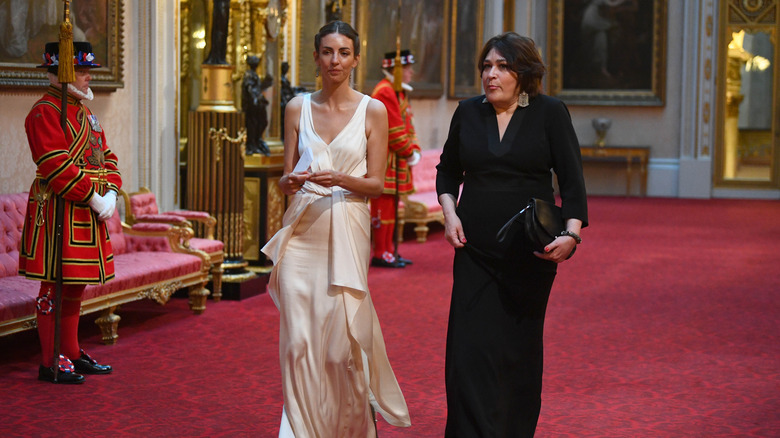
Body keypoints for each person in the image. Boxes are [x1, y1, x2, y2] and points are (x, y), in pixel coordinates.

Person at [261, 21, 410, 437]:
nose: (335, 61)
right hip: (302, 232)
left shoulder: (373, 110)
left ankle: (350, 426)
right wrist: (288, 182)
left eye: (344, 52)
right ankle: (299, 431)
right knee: (296, 344)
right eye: (328, 52)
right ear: (316, 57)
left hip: (347, 227)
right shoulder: (296, 107)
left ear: (356, 59)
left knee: (338, 351)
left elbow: (377, 184)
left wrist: (340, 179)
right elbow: (285, 176)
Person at [436, 32, 588, 436]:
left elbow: (572, 182)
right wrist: (449, 214)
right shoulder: (467, 112)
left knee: (516, 352)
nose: (491, 74)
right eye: (487, 66)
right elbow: (448, 172)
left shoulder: (550, 112)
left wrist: (572, 236)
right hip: (474, 251)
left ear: (523, 72)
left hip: (528, 255)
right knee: (467, 352)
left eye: (502, 66)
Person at [20, 41, 122, 384]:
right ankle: (50, 361)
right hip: (59, 209)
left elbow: (108, 157)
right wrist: (92, 196)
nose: (88, 76)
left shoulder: (87, 113)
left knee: (76, 285)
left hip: (86, 211)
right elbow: (55, 166)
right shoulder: (44, 111)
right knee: (54, 285)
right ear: (62, 72)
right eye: (81, 70)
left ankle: (72, 353)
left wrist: (110, 192)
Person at [369, 49, 421, 268]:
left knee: (392, 206)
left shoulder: (399, 92)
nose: (411, 73)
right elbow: (393, 130)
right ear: (397, 70)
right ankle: (381, 252)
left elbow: (408, 126)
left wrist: (414, 148)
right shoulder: (385, 92)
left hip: (397, 161)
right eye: (407, 69)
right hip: (385, 160)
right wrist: (409, 151)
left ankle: (390, 250)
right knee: (383, 208)